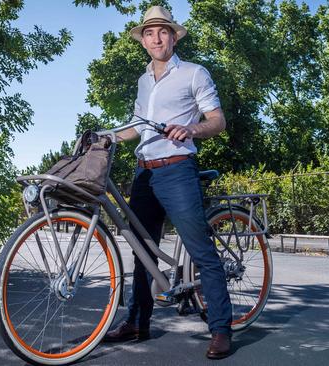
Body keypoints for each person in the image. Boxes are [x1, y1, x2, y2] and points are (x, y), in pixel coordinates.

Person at [102, 5, 232, 359]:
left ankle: (221, 328)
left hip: (177, 169)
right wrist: (107, 135)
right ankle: (137, 323)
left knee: (201, 249)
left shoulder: (193, 73)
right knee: (141, 251)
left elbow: (217, 120)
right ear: (143, 40)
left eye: (163, 31)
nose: (156, 38)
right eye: (149, 33)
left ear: (173, 36)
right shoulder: (144, 81)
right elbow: (136, 127)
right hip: (144, 172)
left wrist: (192, 128)